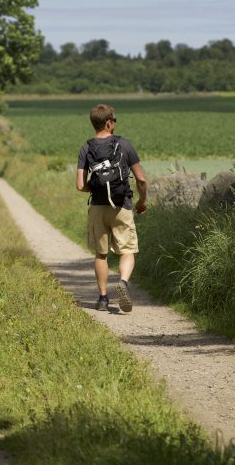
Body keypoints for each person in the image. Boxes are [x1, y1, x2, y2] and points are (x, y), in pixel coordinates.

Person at [75, 103, 147, 313]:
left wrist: (95, 188)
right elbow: (141, 179)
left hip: (98, 206)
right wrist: (142, 201)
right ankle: (123, 282)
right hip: (121, 205)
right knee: (127, 250)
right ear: (109, 122)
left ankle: (103, 298)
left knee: (101, 254)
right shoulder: (125, 145)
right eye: (114, 121)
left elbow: (80, 185)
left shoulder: (86, 148)